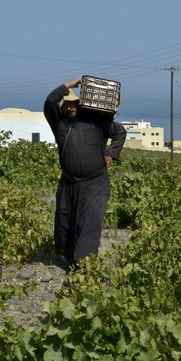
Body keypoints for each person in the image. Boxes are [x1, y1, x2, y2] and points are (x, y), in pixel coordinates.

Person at [44, 77, 127, 266]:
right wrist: (69, 85)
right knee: (68, 220)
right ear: (62, 107)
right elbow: (49, 101)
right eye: (66, 105)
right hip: (69, 183)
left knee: (90, 220)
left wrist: (110, 154)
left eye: (74, 104)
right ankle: (71, 259)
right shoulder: (59, 124)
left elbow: (120, 133)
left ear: (80, 105)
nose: (70, 108)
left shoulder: (96, 120)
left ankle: (85, 264)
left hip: (95, 182)